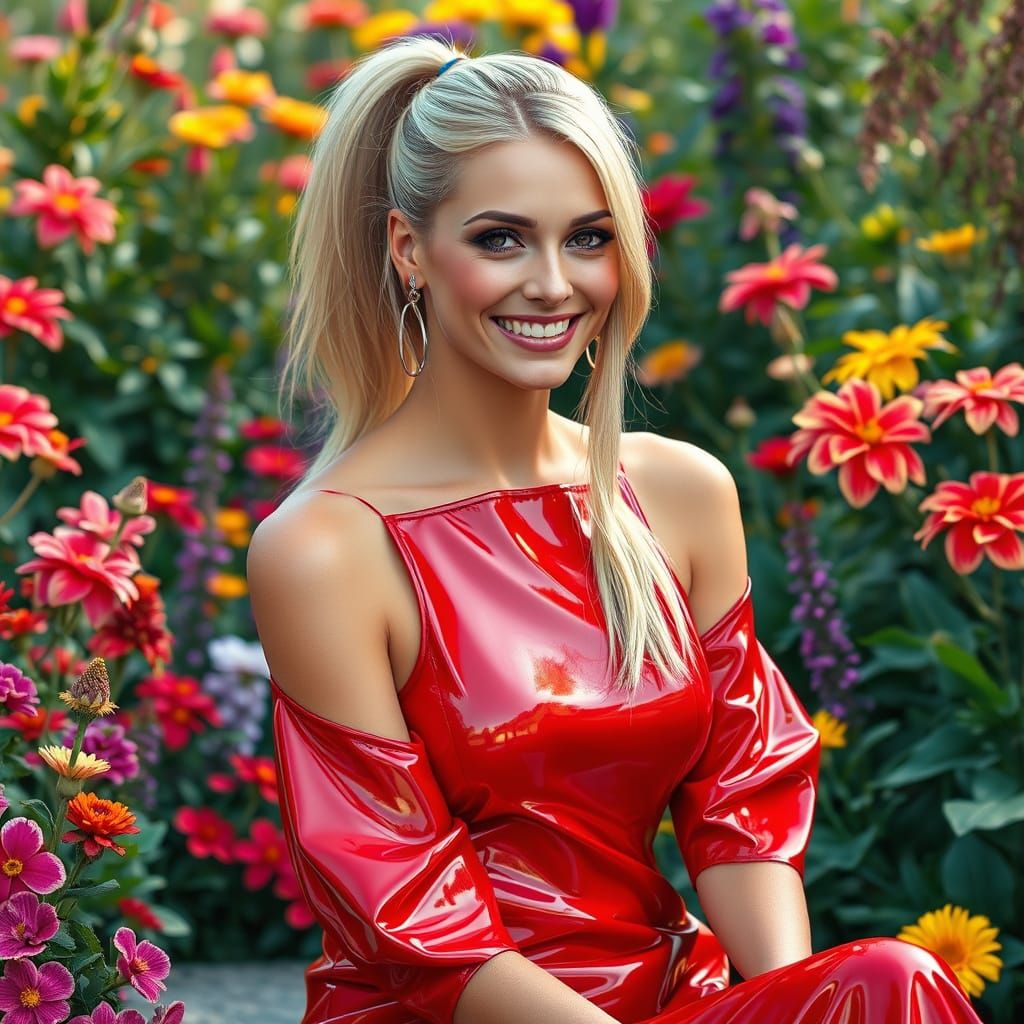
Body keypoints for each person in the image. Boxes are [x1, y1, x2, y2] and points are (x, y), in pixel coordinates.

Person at [245, 35, 983, 1024]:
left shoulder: (677, 493)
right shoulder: (329, 548)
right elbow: (407, 911)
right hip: (449, 1012)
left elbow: (740, 804)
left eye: (588, 237)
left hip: (672, 999)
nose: (553, 283)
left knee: (886, 983)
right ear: (407, 248)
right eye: (501, 238)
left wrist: (783, 1007)